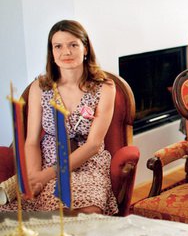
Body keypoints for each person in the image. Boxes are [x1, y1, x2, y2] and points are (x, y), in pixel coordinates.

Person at [0, 20, 118, 215]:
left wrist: (46, 176)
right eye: (58, 46)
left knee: (86, 211)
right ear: (52, 52)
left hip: (88, 164)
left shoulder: (105, 87)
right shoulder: (40, 87)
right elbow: (31, 141)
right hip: (48, 160)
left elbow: (93, 145)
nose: (66, 52)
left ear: (85, 48)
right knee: (43, 214)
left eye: (73, 45)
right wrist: (34, 177)